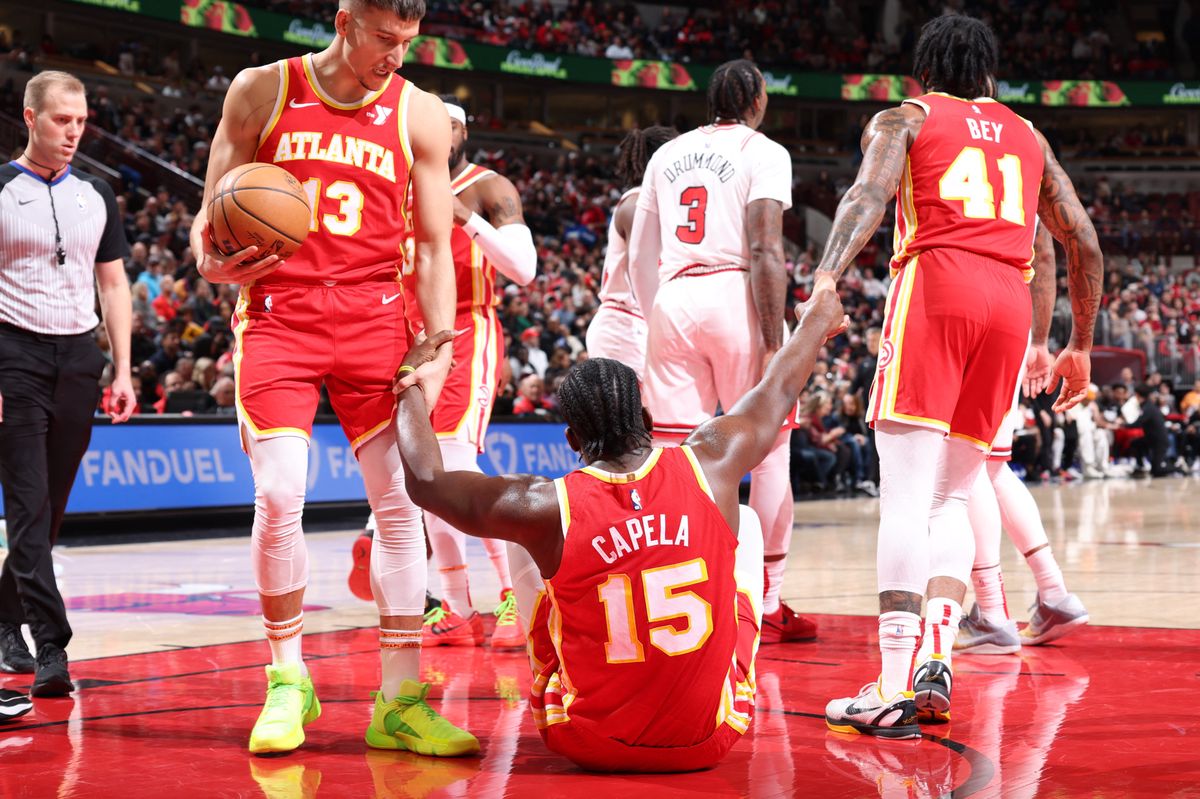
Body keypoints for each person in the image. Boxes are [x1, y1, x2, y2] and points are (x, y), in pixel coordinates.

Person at [391, 289, 847, 771]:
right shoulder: (712, 462)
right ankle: (768, 613)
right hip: (708, 741)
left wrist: (410, 385)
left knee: (525, 539)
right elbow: (777, 389)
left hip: (589, 742)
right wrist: (816, 322)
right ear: (647, 419)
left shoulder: (541, 504)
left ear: (571, 439)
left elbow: (426, 482)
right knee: (747, 521)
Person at [187, 0, 475, 757]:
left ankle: (401, 699)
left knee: (403, 502)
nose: (397, 55)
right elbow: (208, 212)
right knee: (281, 492)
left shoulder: (419, 112)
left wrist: (439, 344)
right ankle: (288, 679)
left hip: (380, 319)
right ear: (345, 19)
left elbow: (437, 247)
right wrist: (207, 259)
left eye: (409, 41)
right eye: (385, 37)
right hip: (281, 315)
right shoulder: (262, 89)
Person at [813, 14, 1102, 737]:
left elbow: (866, 198)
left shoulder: (906, 117)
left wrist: (824, 276)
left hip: (938, 284)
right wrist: (1080, 346)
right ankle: (936, 655)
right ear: (990, 73)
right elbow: (1084, 241)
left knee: (906, 496)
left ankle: (887, 682)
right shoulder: (1029, 136)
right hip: (1008, 302)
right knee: (953, 494)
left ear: (926, 72)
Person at [628, 59, 814, 644]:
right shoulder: (766, 151)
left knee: (671, 453)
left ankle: (674, 585)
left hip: (674, 296)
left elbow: (640, 254)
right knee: (770, 447)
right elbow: (764, 249)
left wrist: (659, 312)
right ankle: (767, 595)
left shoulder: (667, 154)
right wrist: (772, 338)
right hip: (735, 292)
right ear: (757, 100)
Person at [0, 71, 135, 697]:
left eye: (80, 122)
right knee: (27, 507)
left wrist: (125, 369)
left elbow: (113, 285)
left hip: (80, 359)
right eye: (61, 121)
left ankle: (3, 617)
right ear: (31, 118)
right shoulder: (0, 189)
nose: (73, 133)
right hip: (14, 355)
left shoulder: (98, 194)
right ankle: (51, 644)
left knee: (48, 511)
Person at [398, 94, 538, 650]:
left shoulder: (490, 186)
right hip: (410, 339)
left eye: (447, 125)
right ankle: (457, 607)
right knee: (425, 479)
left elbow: (524, 271)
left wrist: (468, 219)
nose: (436, 133)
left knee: (452, 461)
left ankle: (509, 592)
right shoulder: (400, 191)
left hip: (467, 331)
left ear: (461, 133)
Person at [958, 225, 1089, 656]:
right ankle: (1053, 594)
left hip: (961, 297)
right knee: (993, 466)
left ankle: (992, 613)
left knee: (969, 459)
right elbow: (1047, 255)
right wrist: (1039, 339)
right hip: (1013, 308)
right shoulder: (1026, 156)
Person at [584, 126, 677, 379]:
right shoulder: (637, 204)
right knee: (627, 416)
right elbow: (645, 272)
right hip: (624, 326)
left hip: (639, 324)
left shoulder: (659, 205)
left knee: (652, 417)